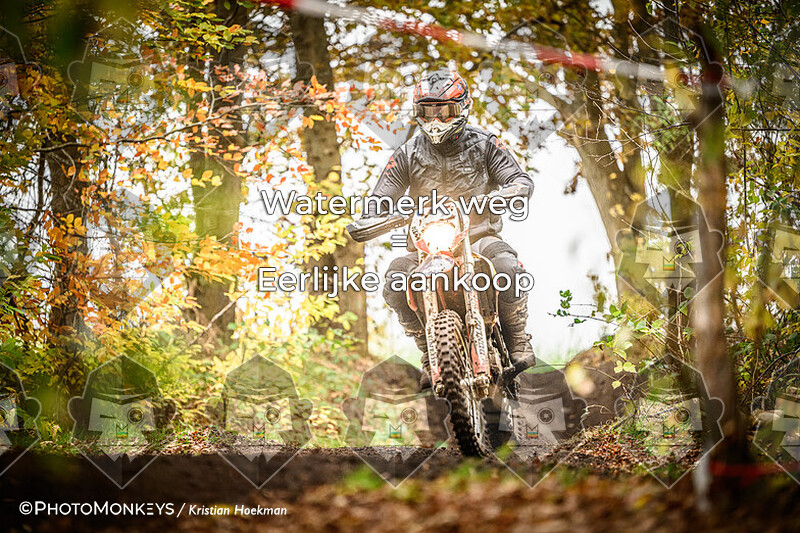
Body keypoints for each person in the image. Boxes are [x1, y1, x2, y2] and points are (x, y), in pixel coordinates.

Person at [364, 68, 536, 385]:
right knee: (395, 281)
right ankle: (429, 349)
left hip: (479, 236)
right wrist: (377, 213)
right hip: (424, 245)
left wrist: (505, 195)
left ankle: (517, 337)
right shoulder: (406, 153)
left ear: (461, 107)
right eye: (427, 111)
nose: (436, 119)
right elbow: (380, 195)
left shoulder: (486, 144)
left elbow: (519, 179)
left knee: (508, 268)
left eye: (443, 110)